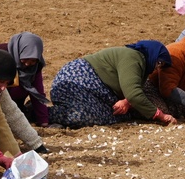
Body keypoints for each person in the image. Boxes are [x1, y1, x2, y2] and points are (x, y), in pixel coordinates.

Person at [49, 41, 177, 128]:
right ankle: (41, 112)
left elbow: (132, 88)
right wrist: (161, 115)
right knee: (84, 116)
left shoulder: (142, 67)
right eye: (159, 63)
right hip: (76, 79)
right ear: (152, 55)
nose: (157, 68)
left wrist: (127, 101)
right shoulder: (133, 57)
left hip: (95, 89)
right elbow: (134, 94)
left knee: (110, 116)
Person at [4, 32, 51, 127]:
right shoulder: (2, 58)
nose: (27, 64)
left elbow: (37, 93)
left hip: (16, 108)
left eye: (33, 61)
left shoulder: (35, 67)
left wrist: (43, 121)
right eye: (25, 59)